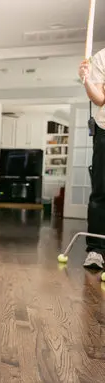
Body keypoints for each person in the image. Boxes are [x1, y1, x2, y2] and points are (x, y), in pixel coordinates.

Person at [79, 47, 105, 270]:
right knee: (101, 191)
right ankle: (96, 250)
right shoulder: (102, 57)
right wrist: (87, 81)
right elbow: (99, 99)